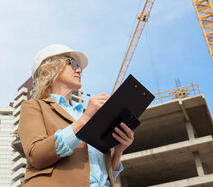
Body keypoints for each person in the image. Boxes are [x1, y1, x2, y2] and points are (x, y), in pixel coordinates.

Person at [18, 44, 134, 187]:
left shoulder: (85, 113)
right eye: (72, 64)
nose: (79, 70)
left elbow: (99, 172)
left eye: (79, 67)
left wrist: (118, 151)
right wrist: (85, 120)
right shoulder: (34, 107)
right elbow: (36, 155)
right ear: (50, 69)